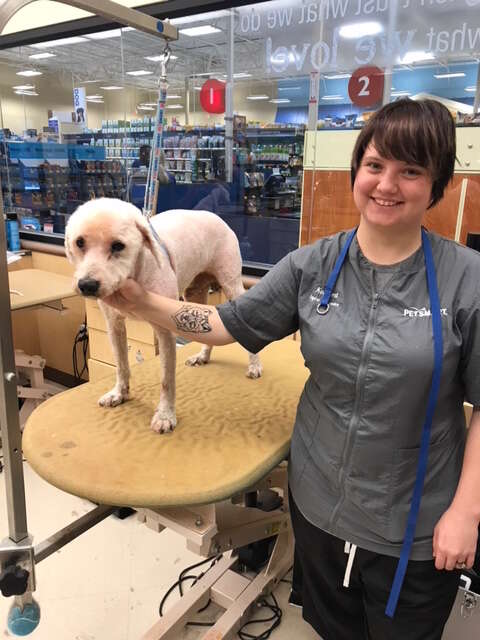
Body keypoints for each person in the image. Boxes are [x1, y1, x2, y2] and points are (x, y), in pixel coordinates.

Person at [102, 99, 480, 640]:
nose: (386, 184)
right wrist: (141, 303)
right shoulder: (313, 266)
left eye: (410, 171)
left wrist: (466, 512)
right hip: (320, 506)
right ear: (356, 171)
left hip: (416, 525)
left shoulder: (468, 280)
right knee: (333, 630)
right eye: (374, 166)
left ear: (436, 184)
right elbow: (224, 323)